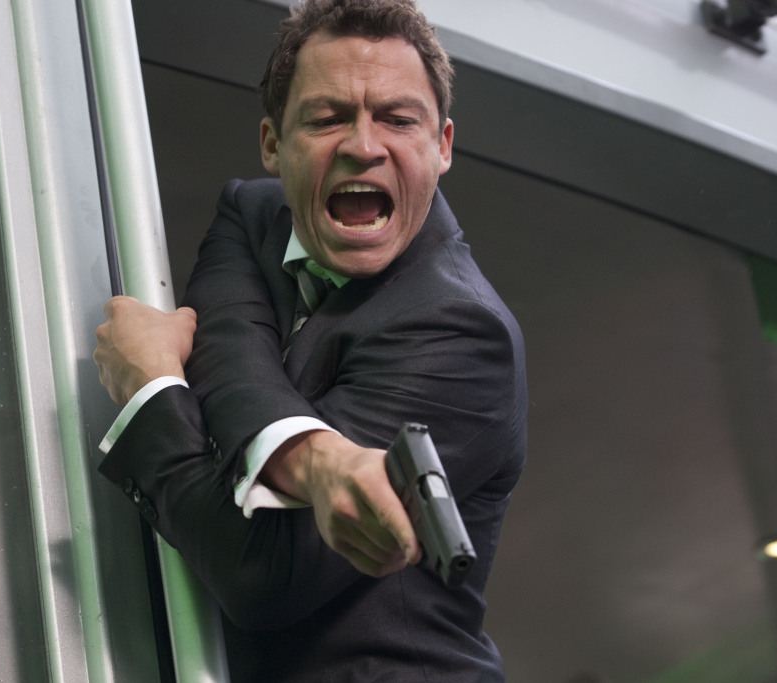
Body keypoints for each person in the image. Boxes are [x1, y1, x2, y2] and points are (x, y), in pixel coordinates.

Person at [93, 0, 527, 680]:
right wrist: (316, 459)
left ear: (442, 145)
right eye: (328, 118)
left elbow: (261, 571)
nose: (364, 145)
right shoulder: (252, 213)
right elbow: (228, 351)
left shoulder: (465, 332)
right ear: (273, 143)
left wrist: (151, 388)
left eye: (398, 119)